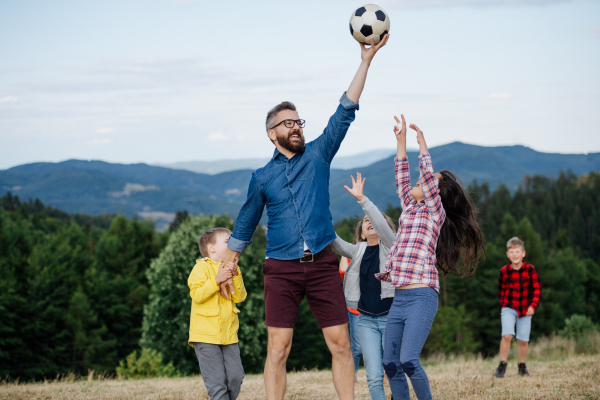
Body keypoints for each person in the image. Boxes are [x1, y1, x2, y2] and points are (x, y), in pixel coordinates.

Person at [220, 35, 390, 400]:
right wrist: (228, 265)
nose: (296, 126)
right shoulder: (261, 178)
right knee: (278, 349)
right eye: (287, 123)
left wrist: (366, 61)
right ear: (272, 134)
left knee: (341, 344)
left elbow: (345, 110)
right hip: (280, 269)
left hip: (323, 266)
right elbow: (246, 225)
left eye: (298, 121)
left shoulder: (318, 155)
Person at [377, 115, 485, 400]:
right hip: (400, 297)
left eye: (427, 183)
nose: (416, 182)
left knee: (408, 360)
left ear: (433, 193)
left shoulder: (435, 213)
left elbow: (427, 178)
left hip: (422, 296)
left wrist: (422, 145)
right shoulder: (410, 207)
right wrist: (401, 143)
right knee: (390, 363)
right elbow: (402, 175)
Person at [332, 172, 397, 400]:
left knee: (393, 368)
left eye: (375, 220)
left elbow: (379, 222)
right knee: (373, 375)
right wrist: (316, 216)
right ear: (360, 232)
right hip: (366, 319)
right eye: (366, 221)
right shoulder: (357, 250)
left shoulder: (391, 246)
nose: (370, 221)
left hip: (391, 316)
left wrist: (363, 201)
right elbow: (333, 241)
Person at [188, 228, 247, 400]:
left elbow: (240, 297)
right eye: (228, 241)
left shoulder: (234, 269)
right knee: (217, 382)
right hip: (205, 337)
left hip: (229, 336)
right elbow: (197, 295)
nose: (232, 245)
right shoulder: (200, 268)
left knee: (236, 377)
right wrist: (216, 280)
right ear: (211, 248)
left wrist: (235, 274)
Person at [494, 237, 541, 378]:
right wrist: (503, 303)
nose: (515, 255)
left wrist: (533, 305)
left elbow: (537, 289)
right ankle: (502, 365)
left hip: (526, 309)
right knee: (507, 335)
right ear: (508, 254)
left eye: (517, 252)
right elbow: (501, 289)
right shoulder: (504, 271)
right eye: (511, 252)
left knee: (523, 340)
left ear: (523, 253)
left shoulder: (530, 270)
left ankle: (522, 366)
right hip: (509, 307)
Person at [339, 256, 362, 382]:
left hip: (376, 307)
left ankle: (385, 374)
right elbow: (343, 270)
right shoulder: (351, 252)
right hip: (355, 309)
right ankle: (352, 374)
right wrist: (344, 253)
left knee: (382, 343)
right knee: (357, 345)